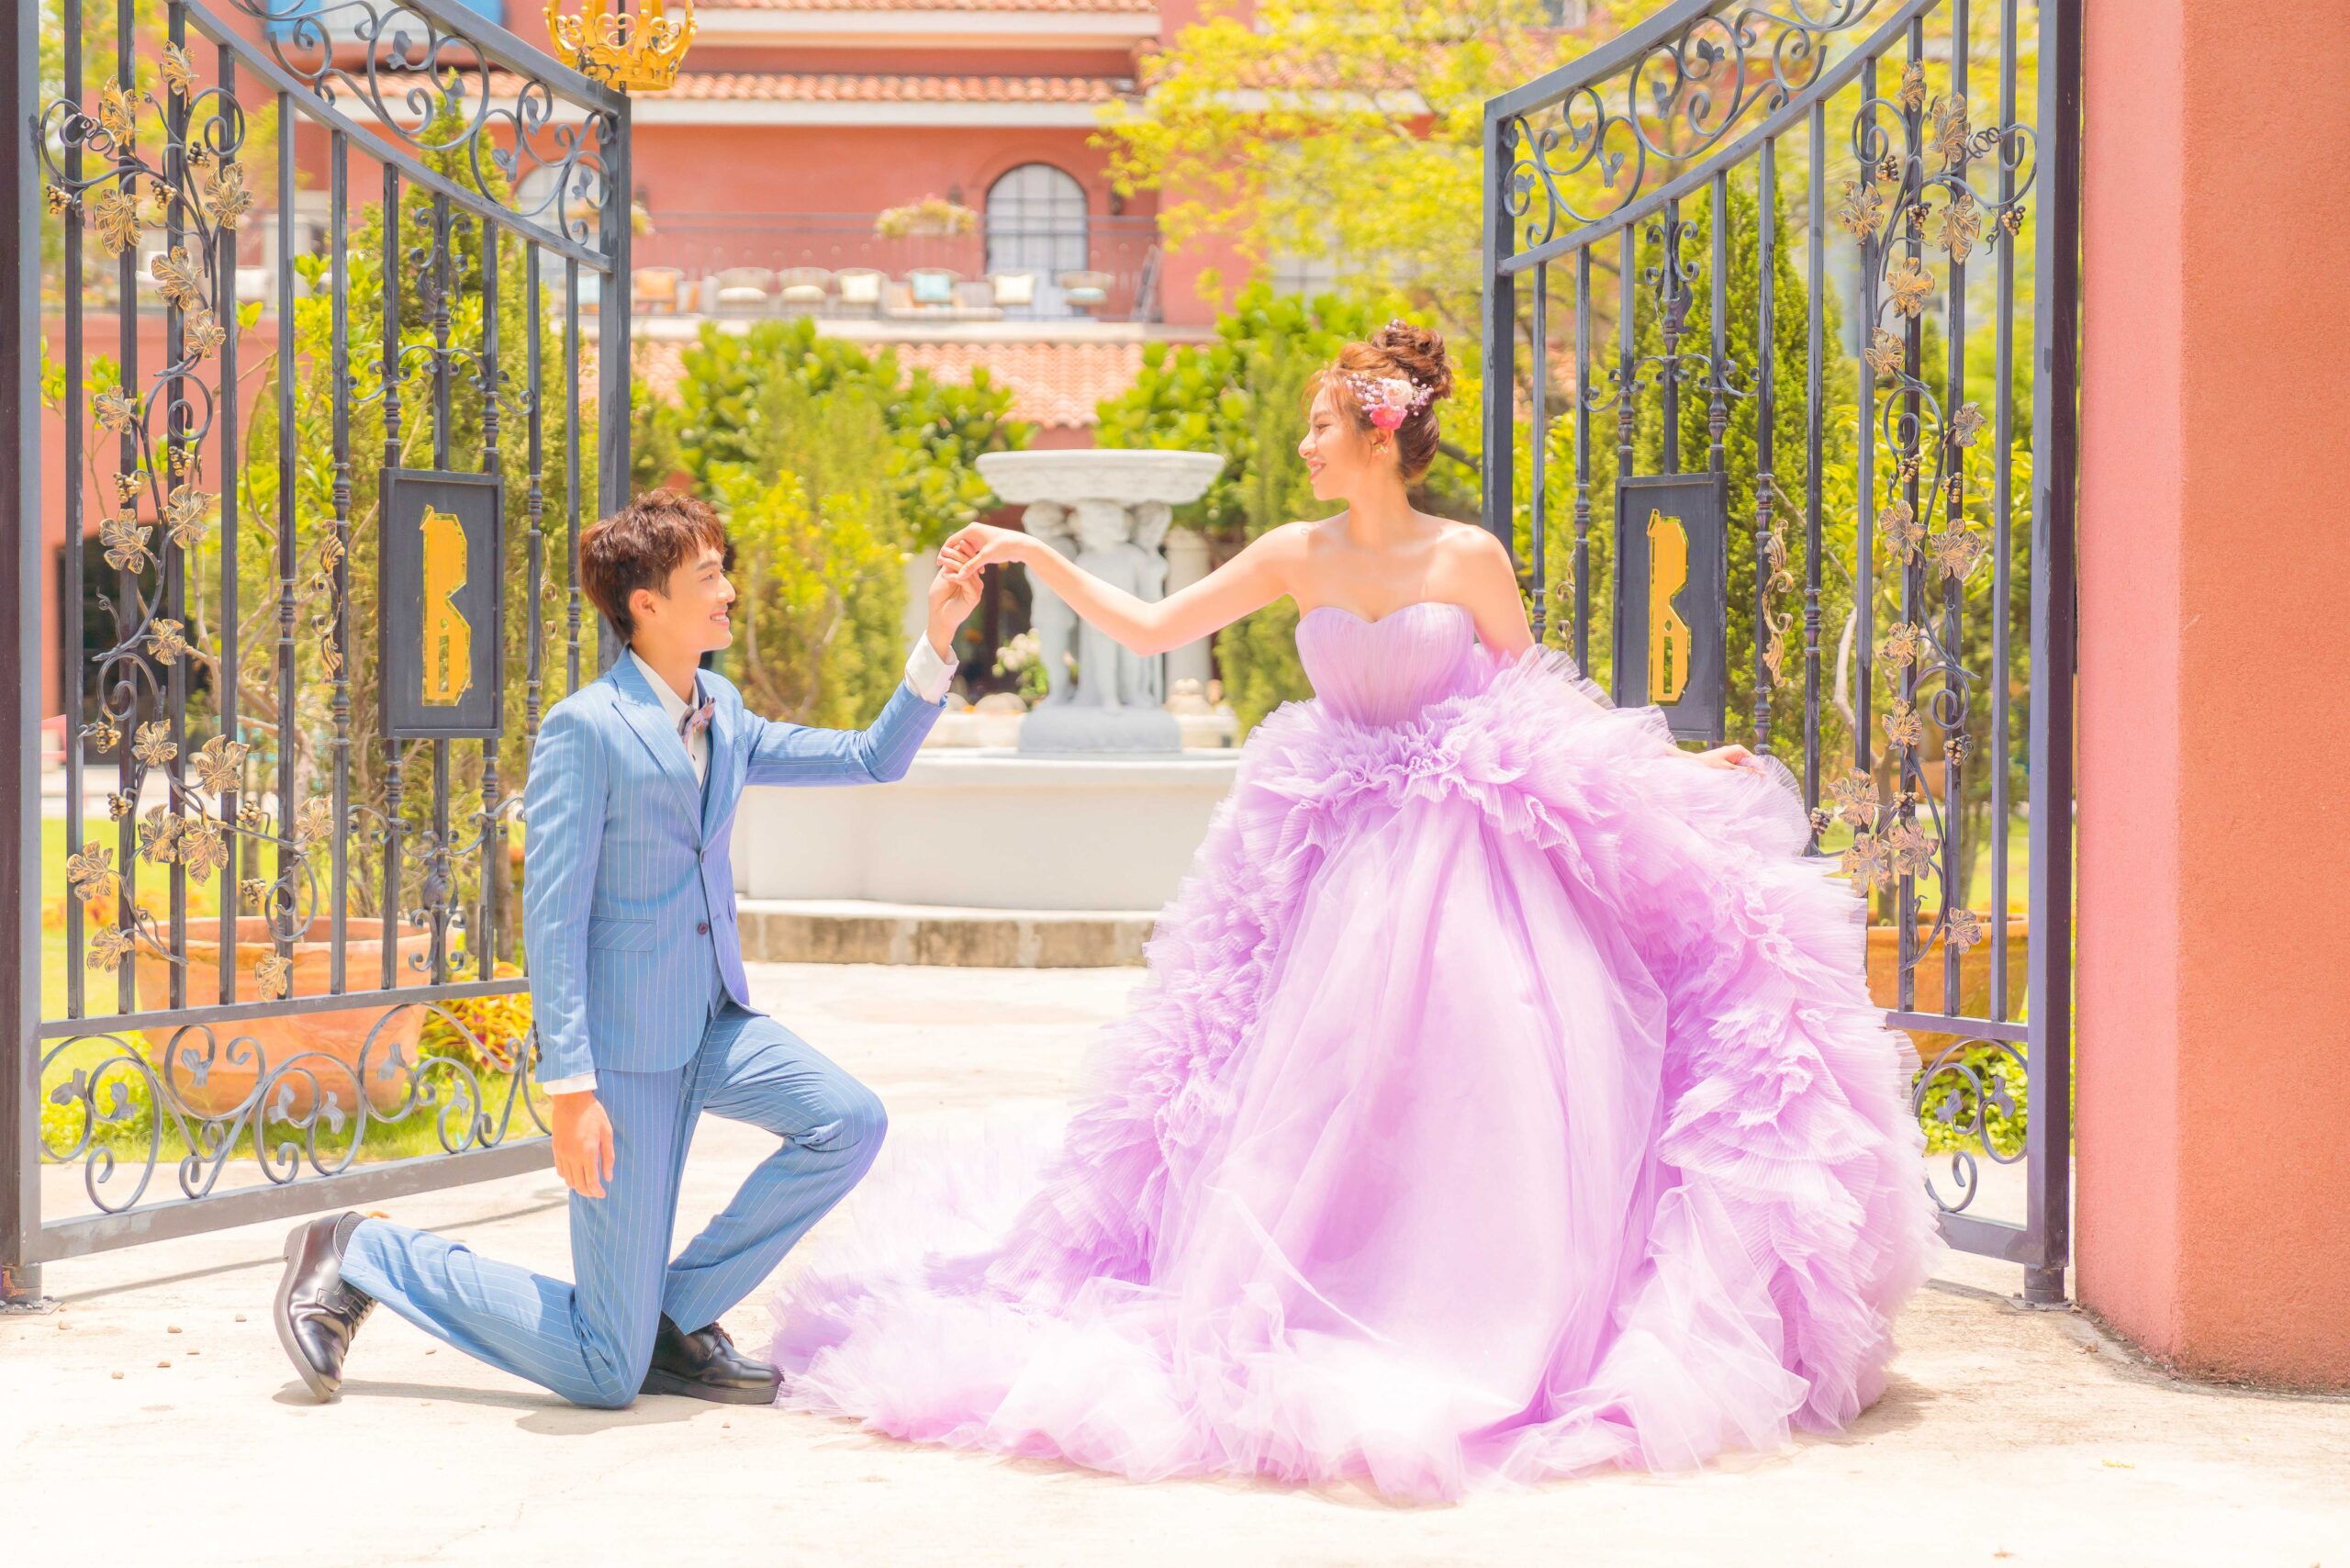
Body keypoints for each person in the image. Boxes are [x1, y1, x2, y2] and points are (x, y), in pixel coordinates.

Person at [767, 322, 1942, 1500]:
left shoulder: (1467, 556)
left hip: (1462, 855)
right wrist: (1034, 554)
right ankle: (1322, 1287)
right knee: (1309, 1087)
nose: (1303, 444)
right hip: (1332, 852)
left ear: (1379, 435)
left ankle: (1479, 1303)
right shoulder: (1296, 550)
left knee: (1482, 1076)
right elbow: (1151, 627)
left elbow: (1542, 701)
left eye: (1320, 424)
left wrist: (1672, 769)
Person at [270, 489, 980, 1409]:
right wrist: (573, 1089)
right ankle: (363, 1249)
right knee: (607, 1373)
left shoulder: (723, 708)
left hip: (715, 1024)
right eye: (708, 576)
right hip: (625, 1057)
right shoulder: (586, 727)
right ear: (646, 604)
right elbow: (553, 918)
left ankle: (671, 1319)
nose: (728, 591)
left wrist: (937, 640)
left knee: (847, 1121)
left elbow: (872, 759)